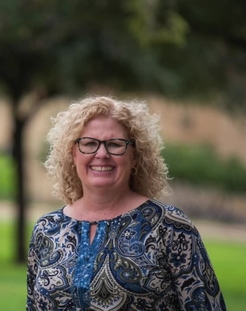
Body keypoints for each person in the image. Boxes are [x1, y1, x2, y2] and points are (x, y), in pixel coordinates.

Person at [26, 96, 226, 310]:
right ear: (72, 154)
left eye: (115, 144)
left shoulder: (171, 227)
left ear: (135, 157)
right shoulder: (47, 229)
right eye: (89, 143)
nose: (101, 154)